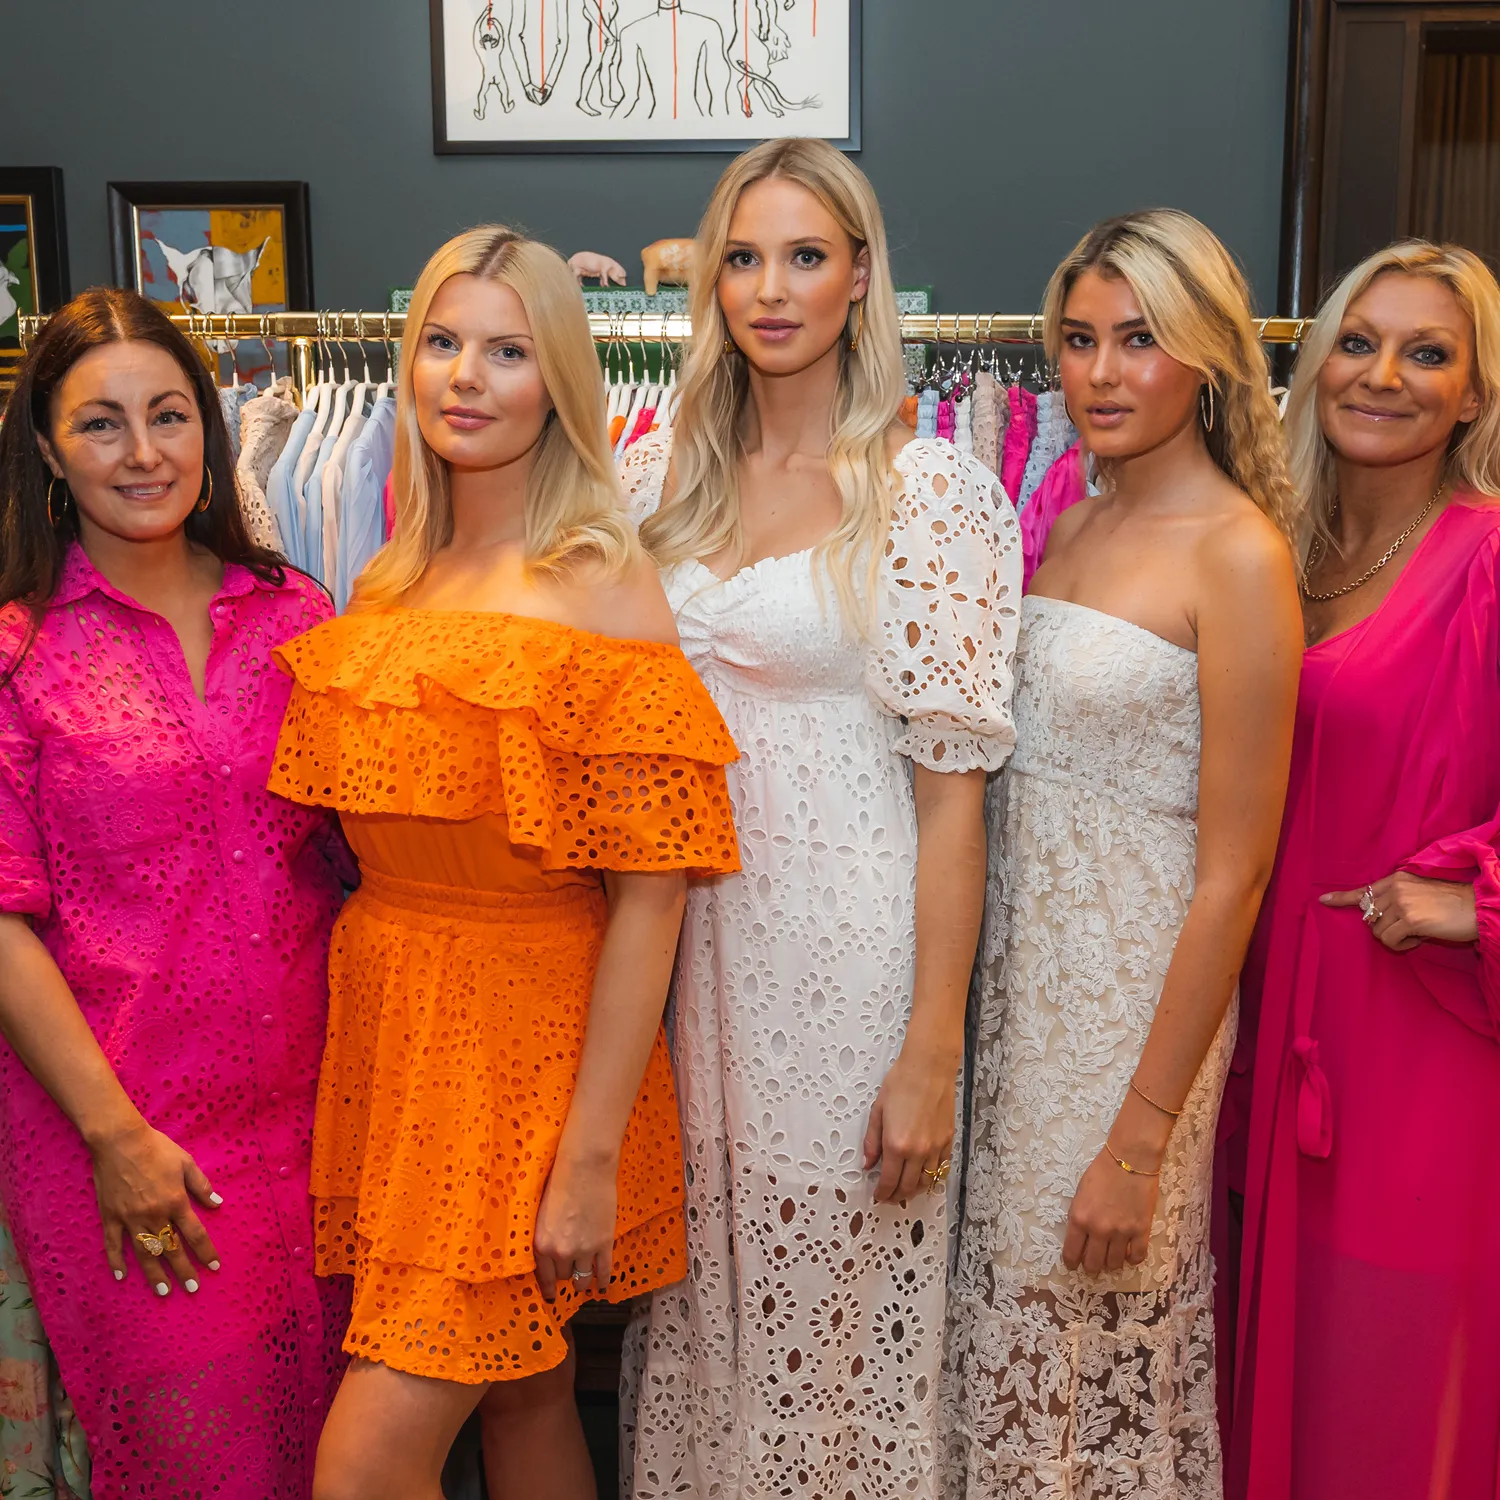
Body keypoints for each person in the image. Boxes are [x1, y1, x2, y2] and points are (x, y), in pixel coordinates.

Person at [267, 226, 739, 1500]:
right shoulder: (386, 583)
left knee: (364, 1466)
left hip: (520, 1055)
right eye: (441, 342)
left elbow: (652, 899)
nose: (466, 376)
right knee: (528, 1402)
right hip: (397, 1031)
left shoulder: (601, 584)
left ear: (560, 383)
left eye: (508, 351)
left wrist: (588, 1158)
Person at [619, 137, 1021, 1499]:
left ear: (859, 276)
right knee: (706, 1326)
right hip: (684, 963)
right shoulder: (655, 481)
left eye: (805, 256)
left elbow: (954, 808)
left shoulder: (930, 494)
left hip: (850, 966)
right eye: (743, 258)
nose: (771, 288)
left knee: (833, 1341)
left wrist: (930, 1053)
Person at [941, 210, 1303, 1499]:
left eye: (1138, 340)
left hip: (1132, 1022)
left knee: (1094, 1377)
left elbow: (1235, 874)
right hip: (1024, 1007)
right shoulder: (1073, 524)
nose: (1099, 373)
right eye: (1079, 339)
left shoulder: (1240, 554)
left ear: (1206, 356)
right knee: (1017, 1358)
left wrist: (1143, 1137)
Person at [0, 287, 351, 1499]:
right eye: (100, 424)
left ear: (209, 425)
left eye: (168, 415)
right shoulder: (18, 649)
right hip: (133, 1142)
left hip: (323, 1135)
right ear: (49, 450)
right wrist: (116, 1140)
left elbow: (353, 863)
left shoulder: (296, 613)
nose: (143, 453)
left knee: (348, 1461)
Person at [1223, 242, 1500, 1500]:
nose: (1383, 375)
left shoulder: (1486, 558)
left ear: (1475, 394)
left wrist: (1473, 899)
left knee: (1382, 1396)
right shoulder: (1273, 546)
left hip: (1413, 1054)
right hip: (1256, 1033)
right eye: (1358, 341)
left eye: (1427, 353)